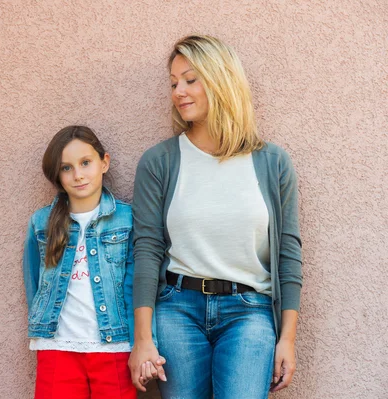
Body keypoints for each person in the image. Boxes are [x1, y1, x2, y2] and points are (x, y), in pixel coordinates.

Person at [129, 35, 303, 399]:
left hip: (249, 312)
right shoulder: (160, 162)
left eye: (191, 79)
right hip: (177, 310)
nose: (179, 91)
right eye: (174, 82)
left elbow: (288, 255)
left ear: (221, 79)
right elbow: (146, 250)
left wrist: (287, 339)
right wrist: (142, 340)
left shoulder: (272, 163)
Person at [23, 126, 137, 399]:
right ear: (57, 175)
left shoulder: (128, 219)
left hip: (114, 347)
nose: (78, 175)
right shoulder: (41, 222)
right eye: (66, 168)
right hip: (56, 346)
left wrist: (142, 341)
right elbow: (34, 282)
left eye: (86, 163)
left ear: (104, 162)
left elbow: (137, 284)